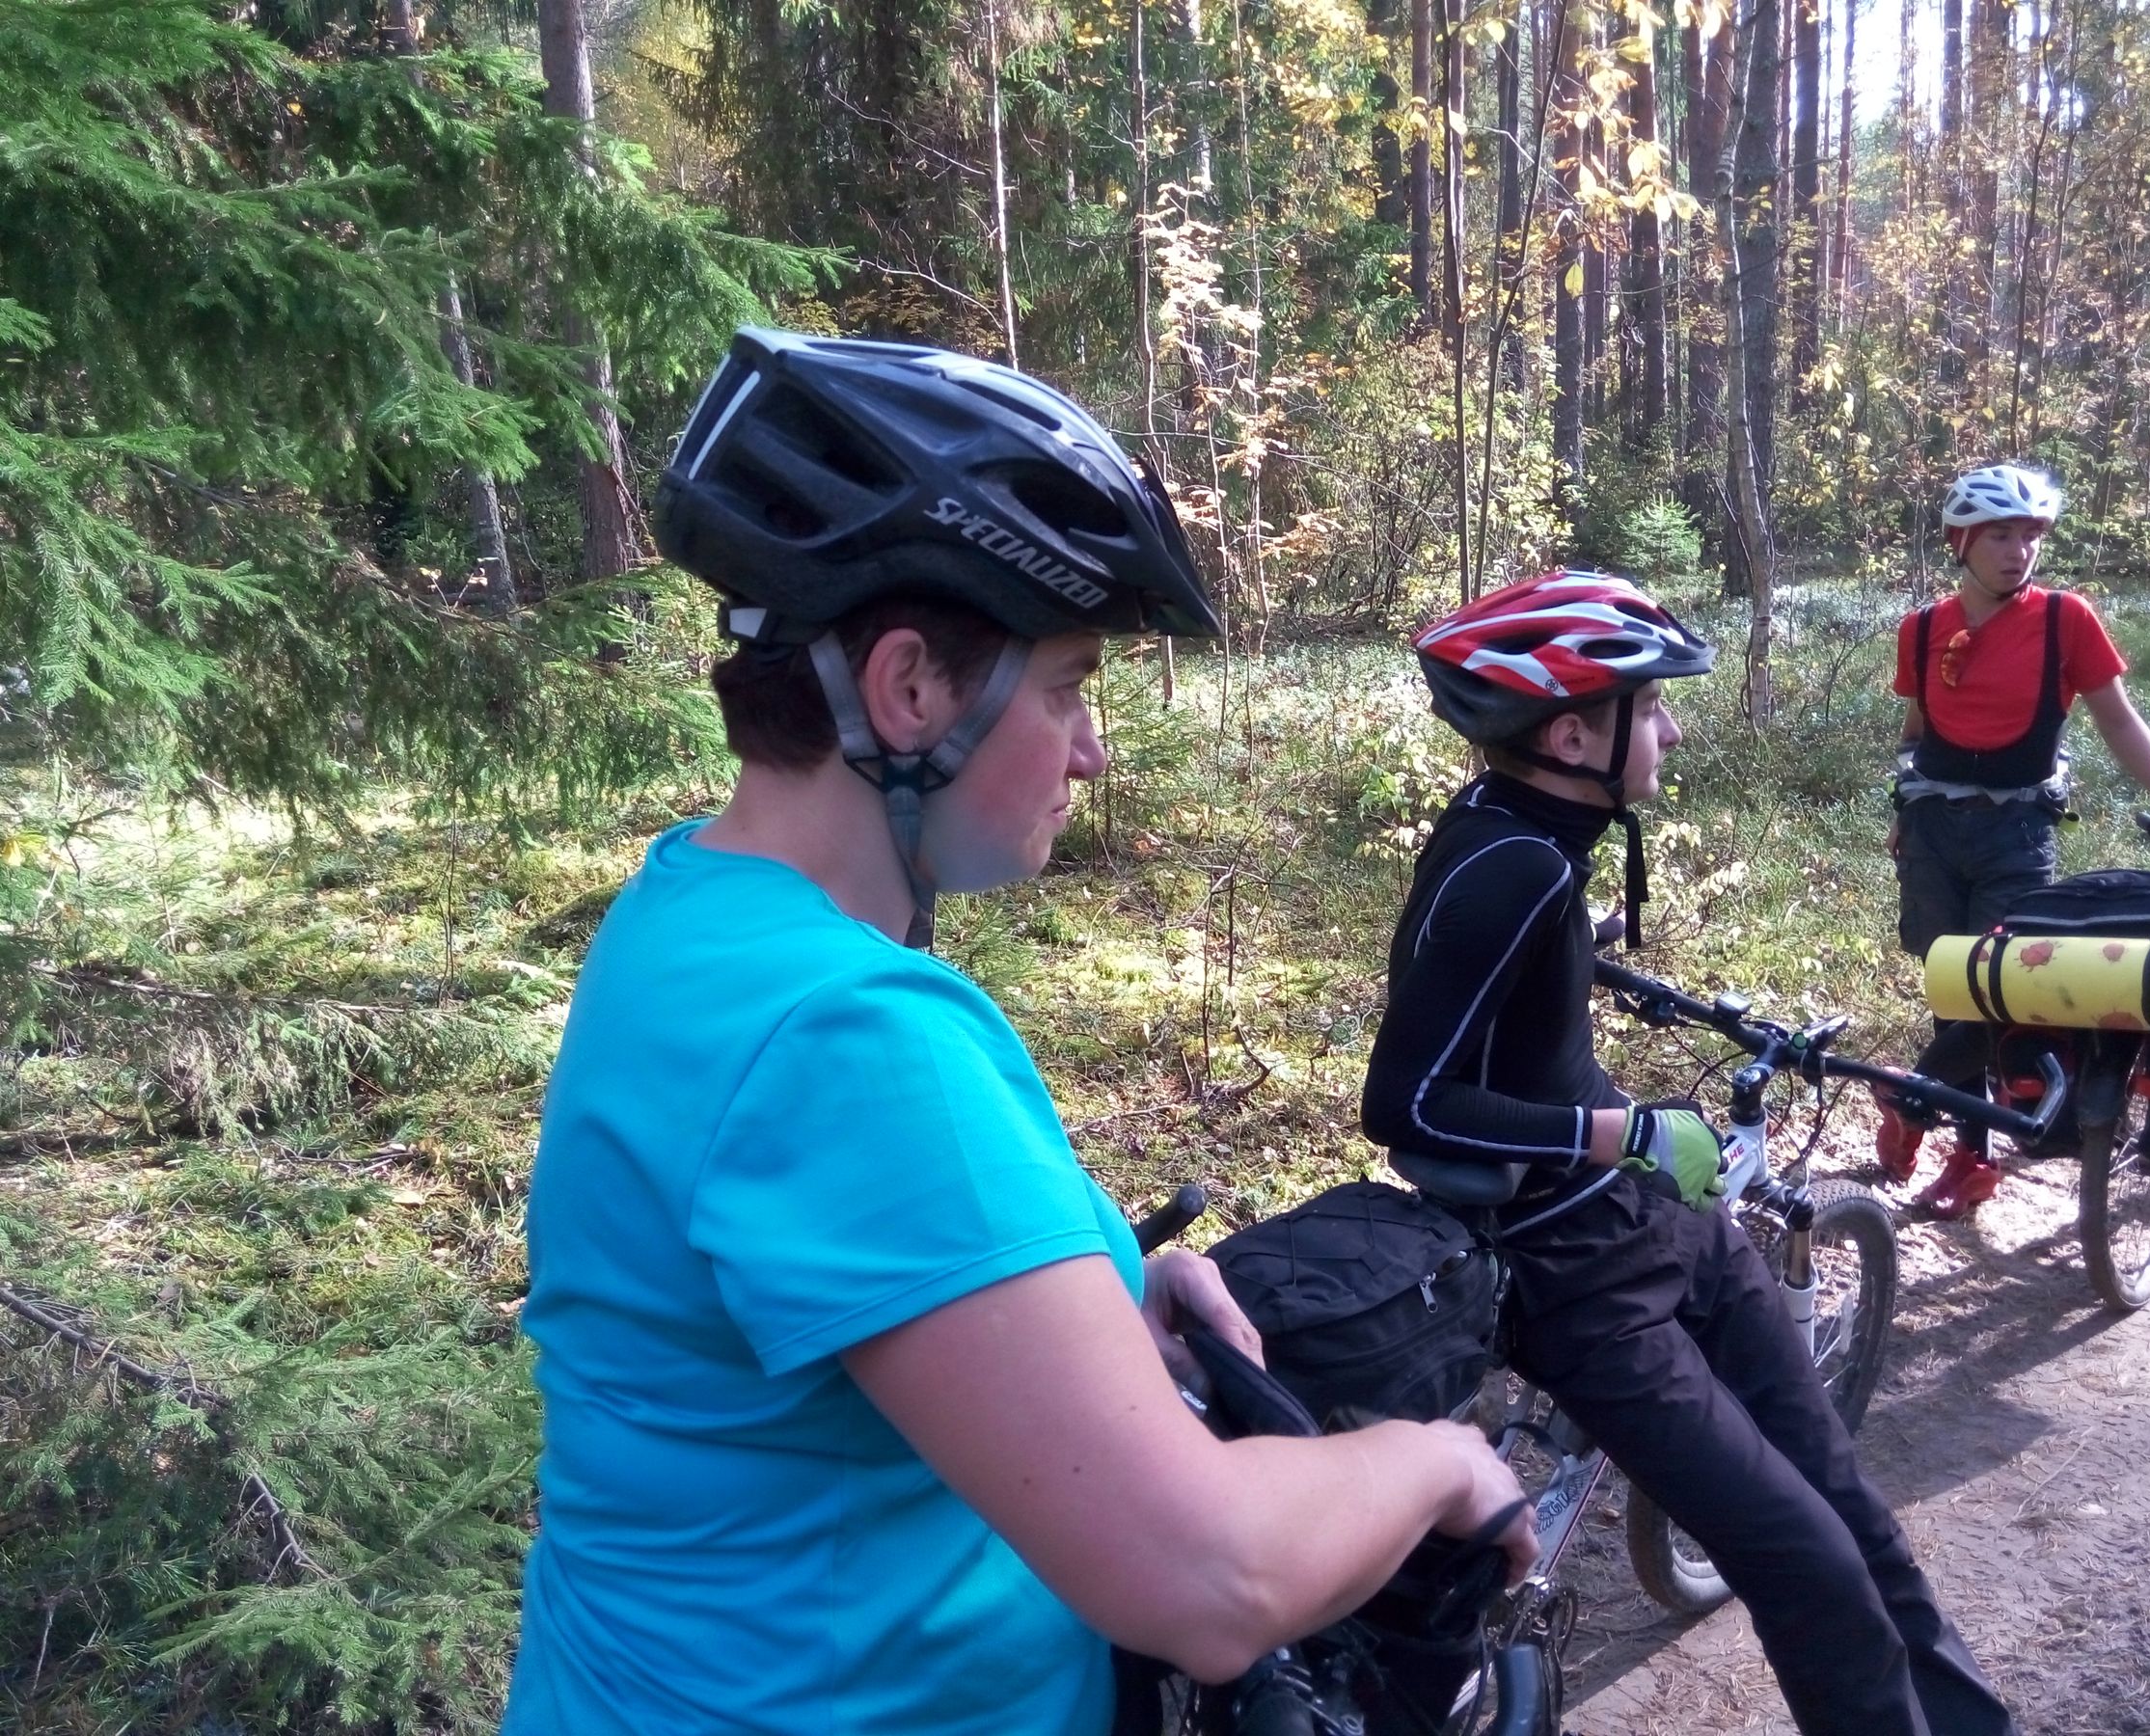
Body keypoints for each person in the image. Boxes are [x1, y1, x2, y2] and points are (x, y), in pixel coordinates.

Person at [500, 329, 1533, 1736]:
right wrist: (1434, 1461)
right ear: (910, 691)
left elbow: (807, 1290)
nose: (1090, 751)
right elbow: (1209, 1577)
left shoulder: (690, 913)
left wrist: (1090, 1293)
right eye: (1066, 687)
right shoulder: (848, 1036)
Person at [1361, 571, 2017, 1736]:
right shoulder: (1513, 866)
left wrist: (1599, 962)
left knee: (1853, 1511)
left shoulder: (1534, 837)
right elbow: (1406, 1103)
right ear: (1571, 736)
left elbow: (1509, 1003)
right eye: (1651, 707)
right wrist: (1625, 1133)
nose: (1669, 731)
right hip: (1576, 1282)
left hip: (1657, 1221)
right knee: (1811, 1563)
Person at [1880, 463, 2150, 1218]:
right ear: (1961, 542)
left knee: (1999, 992)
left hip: (2017, 832)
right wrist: (1903, 810)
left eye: (2030, 535)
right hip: (1934, 831)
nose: (2020, 551)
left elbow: (2117, 718)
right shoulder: (1922, 628)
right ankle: (1970, 1157)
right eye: (2000, 535)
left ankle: (1912, 1098)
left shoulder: (2065, 620)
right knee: (1950, 989)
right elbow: (1916, 733)